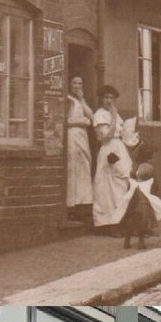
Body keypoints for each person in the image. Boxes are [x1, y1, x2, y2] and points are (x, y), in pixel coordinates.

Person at [92, 85, 133, 229]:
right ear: (101, 99)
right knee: (108, 187)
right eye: (106, 97)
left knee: (122, 183)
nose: (109, 101)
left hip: (119, 148)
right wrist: (114, 116)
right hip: (109, 149)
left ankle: (121, 221)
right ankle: (109, 223)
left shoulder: (115, 114)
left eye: (111, 98)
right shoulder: (100, 115)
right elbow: (106, 136)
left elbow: (121, 132)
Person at [121, 162, 161, 250]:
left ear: (137, 173)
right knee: (142, 226)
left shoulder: (133, 183)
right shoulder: (149, 183)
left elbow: (128, 194)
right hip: (144, 208)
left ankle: (126, 242)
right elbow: (153, 193)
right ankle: (141, 243)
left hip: (133, 207)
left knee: (129, 225)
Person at [66, 76, 93, 222]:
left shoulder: (81, 101)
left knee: (84, 168)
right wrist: (82, 121)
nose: (77, 86)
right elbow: (64, 120)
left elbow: (91, 116)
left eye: (80, 83)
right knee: (73, 168)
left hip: (82, 136)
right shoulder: (67, 99)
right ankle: (71, 206)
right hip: (72, 136)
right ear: (70, 84)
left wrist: (82, 100)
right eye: (75, 83)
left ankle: (82, 205)